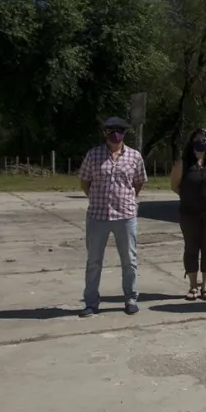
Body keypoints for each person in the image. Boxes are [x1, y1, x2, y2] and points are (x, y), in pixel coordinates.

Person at [77, 116, 148, 317]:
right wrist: (95, 197)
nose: (115, 135)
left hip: (125, 216)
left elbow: (139, 182)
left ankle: (130, 298)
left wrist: (126, 198)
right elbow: (84, 181)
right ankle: (91, 302)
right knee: (94, 261)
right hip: (98, 216)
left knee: (129, 260)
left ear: (125, 134)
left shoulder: (134, 156)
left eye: (120, 131)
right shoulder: (93, 155)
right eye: (111, 131)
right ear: (105, 133)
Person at [170, 128, 206, 301]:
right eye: (198, 138)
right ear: (192, 140)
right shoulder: (184, 162)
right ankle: (193, 286)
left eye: (204, 139)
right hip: (189, 213)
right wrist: (188, 196)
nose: (201, 141)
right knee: (191, 247)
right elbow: (174, 185)